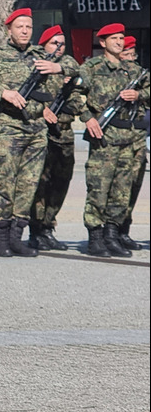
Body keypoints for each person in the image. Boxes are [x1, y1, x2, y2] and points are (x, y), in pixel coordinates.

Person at [0, 8, 77, 257]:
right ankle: (1, 238)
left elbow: (74, 66)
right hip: (9, 128)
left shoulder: (41, 55)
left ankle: (17, 237)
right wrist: (2, 92)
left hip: (37, 129)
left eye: (28, 27)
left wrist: (56, 68)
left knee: (28, 185)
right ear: (9, 30)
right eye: (20, 27)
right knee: (6, 183)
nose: (25, 31)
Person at [78, 23, 149, 257]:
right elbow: (74, 96)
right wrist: (88, 118)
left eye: (121, 38)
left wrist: (138, 95)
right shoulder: (92, 67)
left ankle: (112, 233)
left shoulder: (134, 70)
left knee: (122, 189)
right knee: (99, 188)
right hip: (105, 137)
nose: (119, 42)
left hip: (129, 137)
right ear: (103, 42)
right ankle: (95, 237)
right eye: (114, 38)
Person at [28, 25, 78, 251]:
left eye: (62, 44)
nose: (59, 48)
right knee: (41, 183)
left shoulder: (66, 67)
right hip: (42, 133)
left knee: (61, 182)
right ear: (44, 45)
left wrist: (65, 110)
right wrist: (44, 109)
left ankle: (49, 226)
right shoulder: (36, 64)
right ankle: (36, 229)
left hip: (64, 133)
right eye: (54, 43)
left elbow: (78, 94)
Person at [118, 36, 145, 251]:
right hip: (116, 137)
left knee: (134, 185)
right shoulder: (112, 73)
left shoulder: (140, 73)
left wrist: (139, 94)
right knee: (117, 187)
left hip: (137, 136)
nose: (130, 59)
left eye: (132, 55)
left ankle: (124, 229)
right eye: (126, 55)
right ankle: (109, 230)